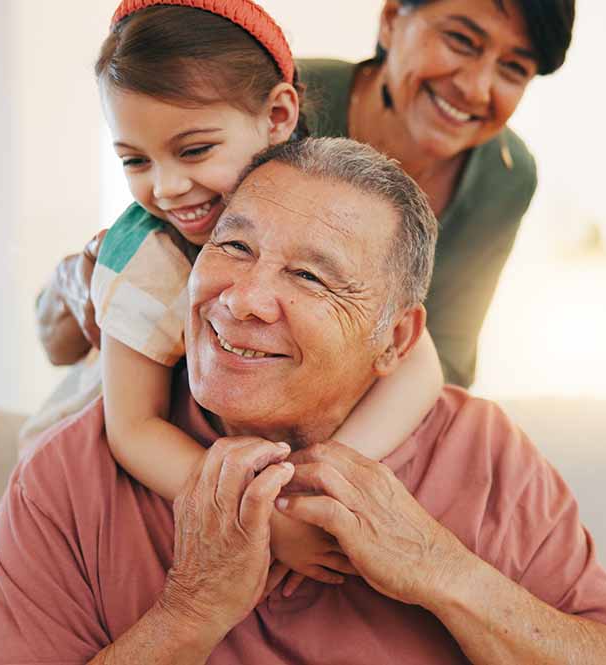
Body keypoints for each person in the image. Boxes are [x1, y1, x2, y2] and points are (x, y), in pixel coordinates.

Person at [0, 138, 606, 664]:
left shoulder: (481, 452)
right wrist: (192, 609)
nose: (244, 299)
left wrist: (443, 571)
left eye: (312, 278)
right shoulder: (72, 472)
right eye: (232, 247)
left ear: (395, 339)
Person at [35, 0, 443, 596]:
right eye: (134, 160)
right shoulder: (140, 256)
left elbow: (420, 370)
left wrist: (313, 487)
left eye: (195, 150)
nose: (168, 186)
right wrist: (271, 524)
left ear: (278, 116)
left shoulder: (325, 202)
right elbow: (135, 429)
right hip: (94, 454)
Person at [37, 0, 576, 389]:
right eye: (462, 40)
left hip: (346, 402)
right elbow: (141, 259)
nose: (477, 87)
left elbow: (448, 358)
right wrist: (78, 284)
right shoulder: (260, 105)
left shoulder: (506, 174)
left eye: (514, 67)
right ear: (392, 18)